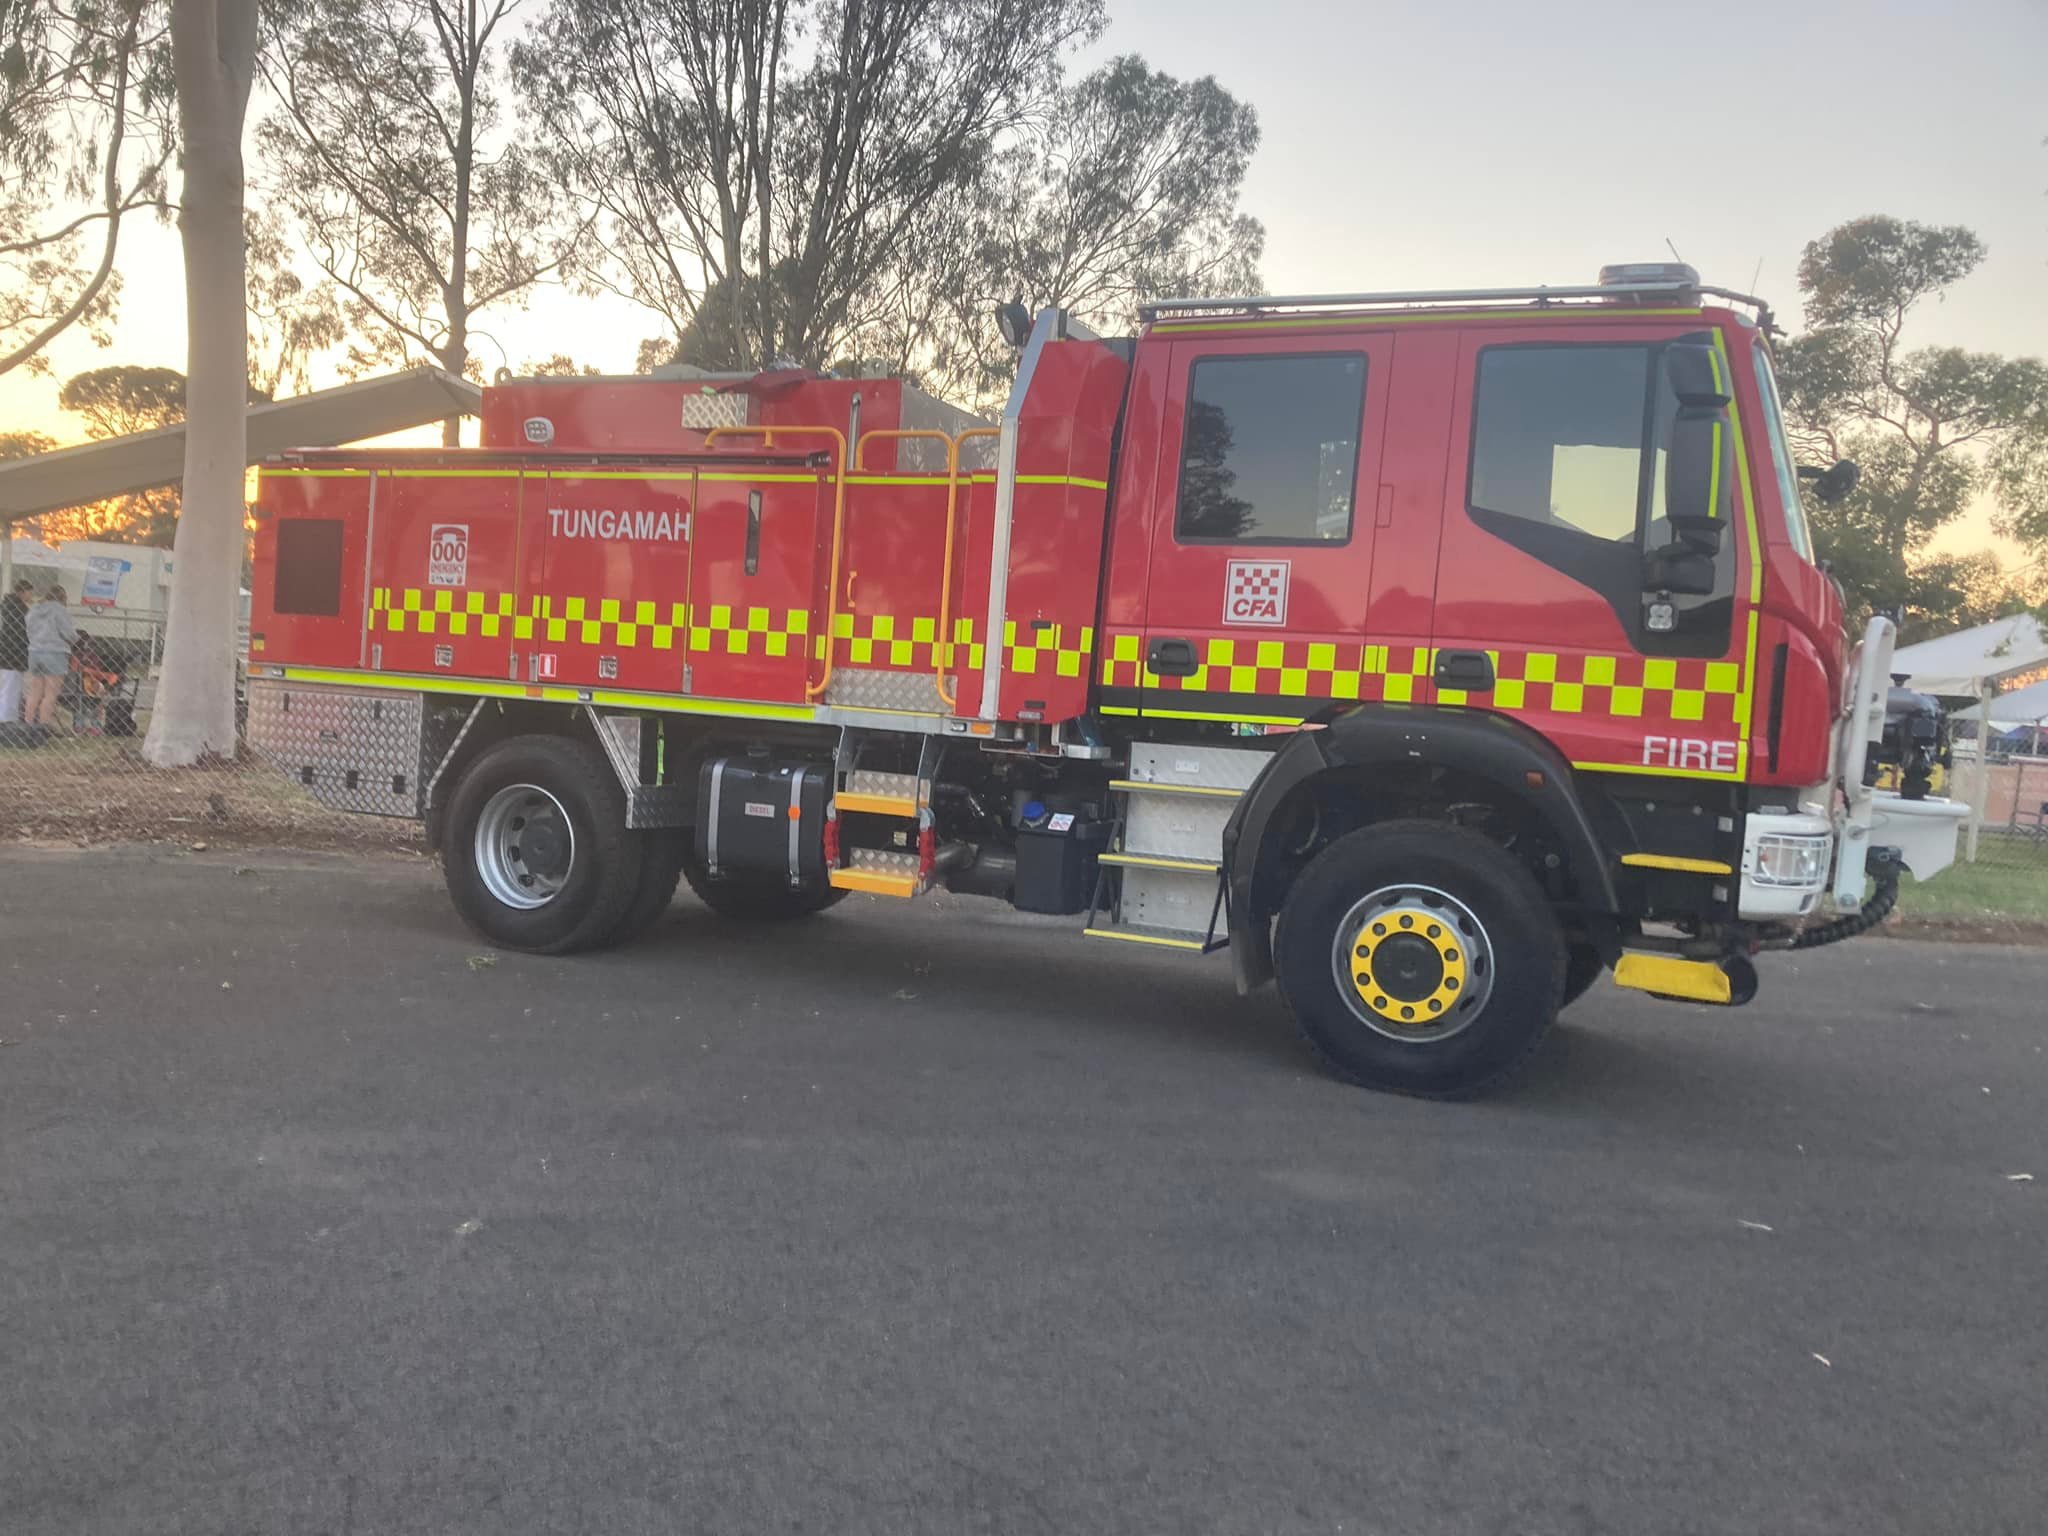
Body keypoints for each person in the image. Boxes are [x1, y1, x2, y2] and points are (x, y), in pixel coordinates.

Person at [24, 584, 78, 730]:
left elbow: (28, 629)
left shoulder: (34, 610)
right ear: (63, 597)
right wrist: (75, 639)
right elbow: (68, 633)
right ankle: (43, 726)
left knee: (34, 692)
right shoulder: (60, 610)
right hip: (55, 652)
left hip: (35, 652)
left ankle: (28, 724)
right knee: (50, 693)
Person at [0, 576, 30, 722]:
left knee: (8, 685)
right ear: (23, 592)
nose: (30, 596)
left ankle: (7, 716)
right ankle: (7, 718)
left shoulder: (7, 607)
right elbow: (25, 630)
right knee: (11, 687)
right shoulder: (21, 609)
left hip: (6, 650)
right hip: (16, 652)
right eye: (29, 592)